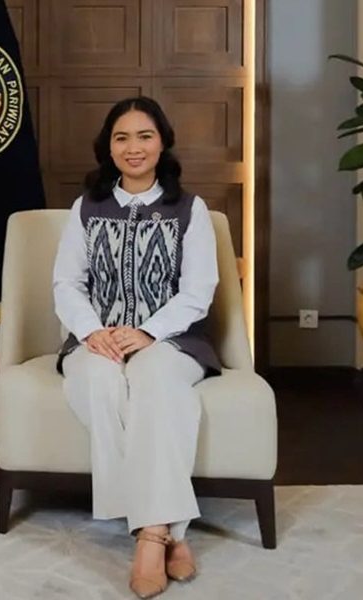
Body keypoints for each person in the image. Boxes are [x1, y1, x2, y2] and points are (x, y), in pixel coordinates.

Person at [52, 96, 220, 599]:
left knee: (152, 378)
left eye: (144, 136)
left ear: (163, 141)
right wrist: (92, 332)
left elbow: (199, 290)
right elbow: (66, 283)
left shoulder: (189, 209)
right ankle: (173, 529)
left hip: (173, 341)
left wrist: (149, 332)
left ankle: (150, 538)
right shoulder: (87, 207)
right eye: (121, 137)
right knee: (101, 381)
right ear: (108, 147)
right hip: (97, 339)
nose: (133, 147)